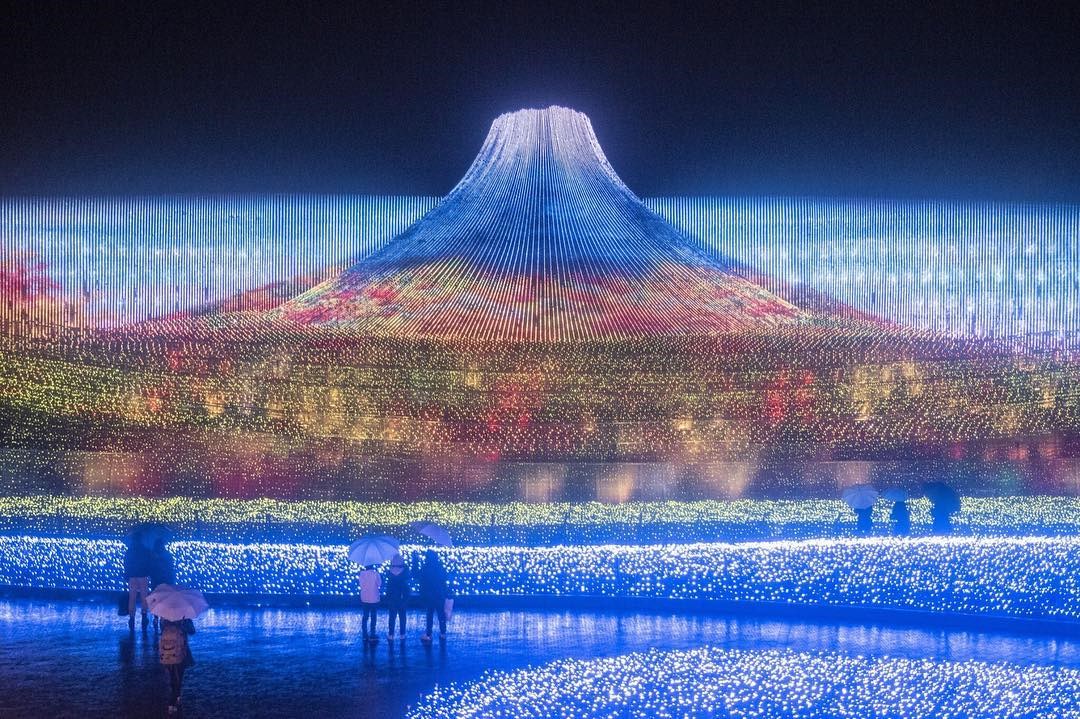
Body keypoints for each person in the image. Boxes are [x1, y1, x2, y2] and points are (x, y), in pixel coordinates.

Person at [159, 617, 195, 714]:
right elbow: (192, 631)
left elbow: (162, 631)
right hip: (181, 652)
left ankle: (176, 696)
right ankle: (172, 702)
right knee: (178, 677)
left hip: (166, 653)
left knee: (173, 677)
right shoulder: (185, 617)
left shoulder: (164, 618)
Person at [419, 549, 448, 643]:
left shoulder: (425, 567)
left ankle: (428, 634)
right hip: (439, 594)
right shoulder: (440, 566)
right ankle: (443, 633)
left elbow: (422, 581)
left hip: (429, 594)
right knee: (441, 614)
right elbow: (444, 579)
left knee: (429, 614)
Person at [124, 543, 153, 631]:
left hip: (132, 576)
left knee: (132, 598)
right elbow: (149, 563)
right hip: (143, 576)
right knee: (144, 597)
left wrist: (127, 575)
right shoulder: (146, 550)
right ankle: (144, 616)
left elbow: (126, 563)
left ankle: (132, 618)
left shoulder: (130, 551)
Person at [150, 539, 176, 630]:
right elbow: (171, 568)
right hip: (166, 581)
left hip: (155, 581)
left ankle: (155, 618)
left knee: (155, 600)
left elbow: (150, 569)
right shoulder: (167, 555)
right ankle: (163, 618)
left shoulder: (153, 555)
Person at [384, 553, 410, 641]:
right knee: (402, 616)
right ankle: (402, 634)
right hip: (402, 596)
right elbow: (407, 581)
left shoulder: (389, 572)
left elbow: (388, 586)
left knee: (392, 616)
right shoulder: (405, 571)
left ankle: (391, 634)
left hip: (392, 597)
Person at [359, 563, 382, 644]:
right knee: (373, 615)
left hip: (365, 597)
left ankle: (364, 634)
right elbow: (379, 584)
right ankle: (372, 633)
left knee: (365, 615)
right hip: (374, 598)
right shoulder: (376, 574)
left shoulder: (362, 574)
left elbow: (361, 585)